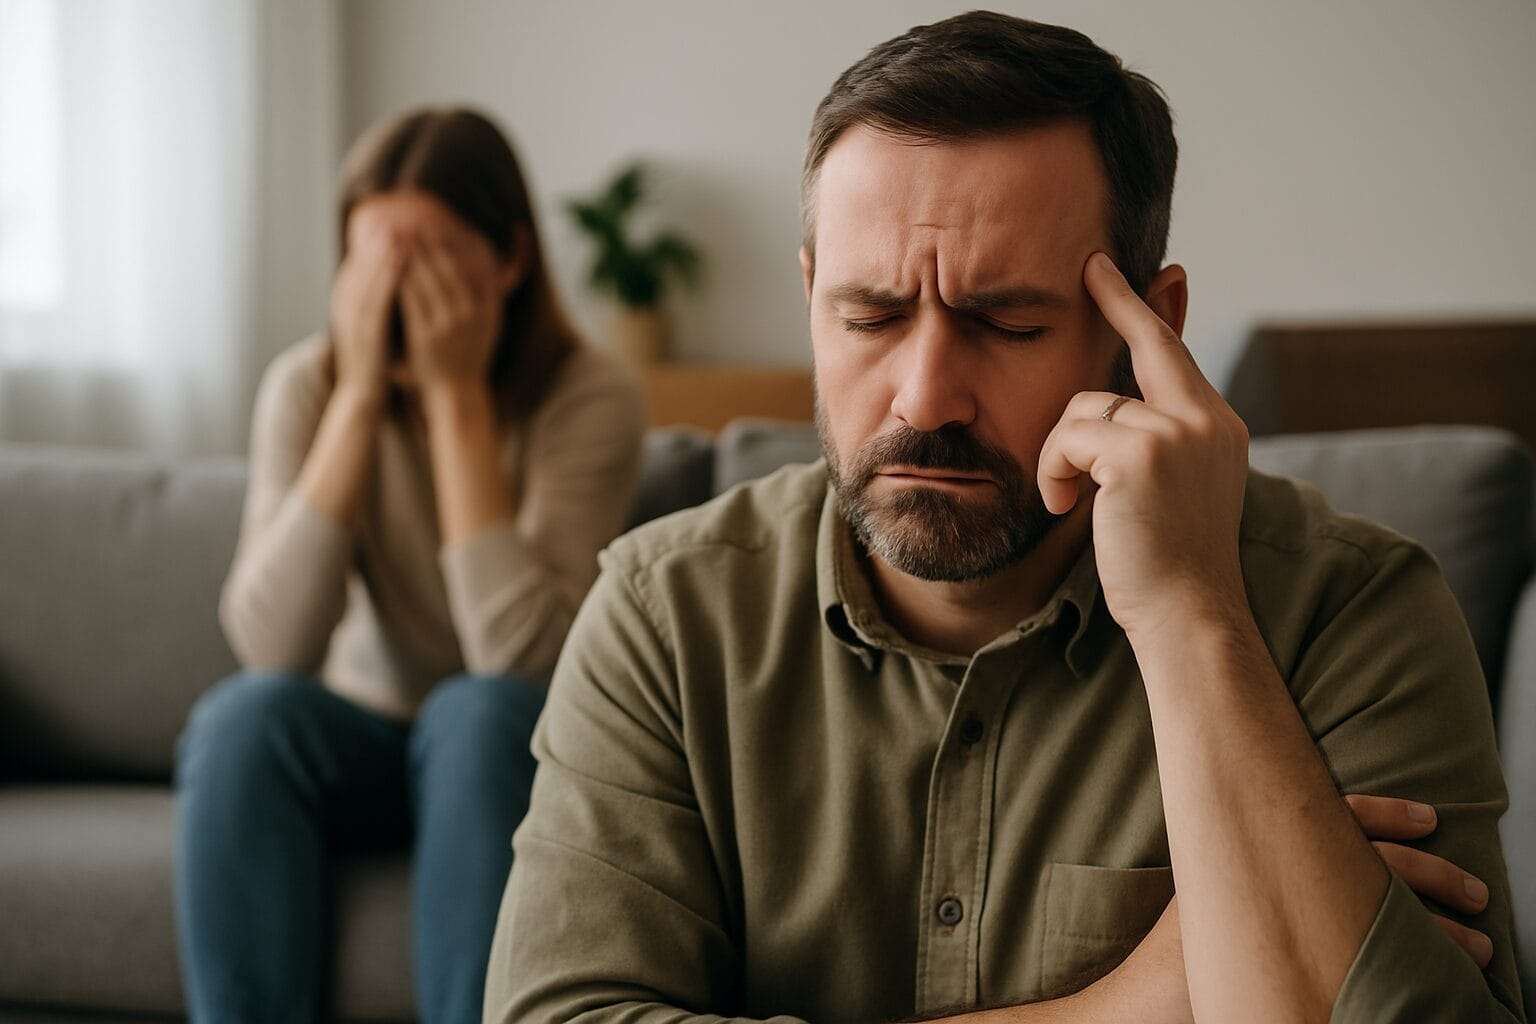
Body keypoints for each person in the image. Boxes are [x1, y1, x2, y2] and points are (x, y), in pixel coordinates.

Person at [485, 14, 1522, 1024]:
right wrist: (1136, 1002)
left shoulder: (1354, 610)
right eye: (870, 315)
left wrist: (1192, 617)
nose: (925, 396)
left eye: (1006, 322)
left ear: (1150, 327)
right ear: (812, 298)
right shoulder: (663, 615)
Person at [174, 107, 645, 1024]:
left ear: (508, 261)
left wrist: (457, 401)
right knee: (241, 718)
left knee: (473, 711)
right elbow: (271, 644)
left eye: (424, 258)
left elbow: (521, 661)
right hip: (356, 740)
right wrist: (354, 400)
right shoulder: (304, 386)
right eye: (373, 259)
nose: (394, 289)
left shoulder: (590, 396)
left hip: (506, 749)